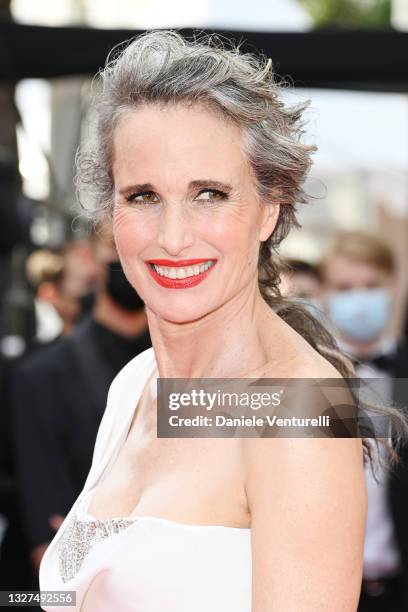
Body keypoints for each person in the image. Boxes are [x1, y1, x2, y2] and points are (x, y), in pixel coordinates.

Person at [39, 30, 397, 611]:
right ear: (110, 215)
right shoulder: (137, 384)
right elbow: (74, 594)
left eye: (208, 193)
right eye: (143, 196)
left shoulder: (298, 413)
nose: (173, 237)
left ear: (269, 209)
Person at [11, 229, 151, 575]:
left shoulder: (198, 370)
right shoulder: (40, 376)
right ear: (90, 255)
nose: (127, 259)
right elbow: (53, 554)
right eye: (115, 246)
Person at [320, 230, 408, 611]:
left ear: (392, 288)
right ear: (324, 293)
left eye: (371, 285)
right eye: (344, 287)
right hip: (326, 590)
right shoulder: (307, 376)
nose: (359, 298)